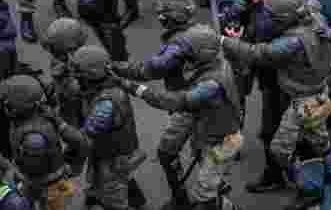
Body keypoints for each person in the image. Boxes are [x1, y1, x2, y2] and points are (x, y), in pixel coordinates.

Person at [219, 0, 331, 209]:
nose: (268, 20)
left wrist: (225, 41)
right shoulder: (316, 17)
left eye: (273, 16)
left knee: (280, 151)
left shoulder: (294, 41)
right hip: (321, 94)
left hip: (304, 102)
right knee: (320, 144)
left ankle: (310, 188)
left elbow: (258, 54)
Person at [113, 24, 243, 210]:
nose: (183, 56)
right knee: (208, 187)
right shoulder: (217, 60)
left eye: (188, 52)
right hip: (213, 133)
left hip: (222, 141)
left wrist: (134, 88)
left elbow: (175, 101)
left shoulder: (211, 84)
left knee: (206, 195)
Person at [66, 45, 147, 210]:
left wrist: (61, 131)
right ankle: (139, 204)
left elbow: (87, 134)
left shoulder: (106, 104)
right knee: (102, 184)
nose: (76, 78)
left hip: (113, 157)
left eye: (79, 75)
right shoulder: (99, 90)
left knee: (113, 197)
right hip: (107, 152)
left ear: (91, 75)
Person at [0, 74, 86, 210]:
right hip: (44, 182)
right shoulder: (29, 117)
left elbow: (32, 177)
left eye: (6, 101)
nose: (4, 104)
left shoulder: (34, 139)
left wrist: (9, 173)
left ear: (17, 106)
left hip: (48, 188)